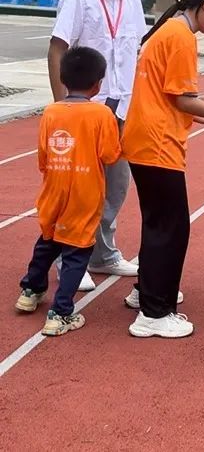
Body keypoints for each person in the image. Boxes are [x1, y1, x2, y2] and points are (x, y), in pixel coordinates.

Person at [121, 0, 204, 338]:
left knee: (158, 223)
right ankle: (154, 313)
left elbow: (171, 97)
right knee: (171, 227)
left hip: (145, 138)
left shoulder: (170, 30)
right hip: (158, 144)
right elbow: (183, 99)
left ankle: (146, 291)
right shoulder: (181, 37)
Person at [47, 0, 147, 290]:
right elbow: (57, 50)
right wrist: (63, 106)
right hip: (85, 109)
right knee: (79, 187)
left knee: (116, 184)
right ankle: (67, 258)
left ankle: (103, 253)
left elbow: (136, 52)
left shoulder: (133, 0)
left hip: (121, 108)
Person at [16, 47, 121, 335]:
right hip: (84, 195)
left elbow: (42, 156)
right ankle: (61, 313)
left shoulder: (51, 111)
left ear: (63, 79)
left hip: (53, 191)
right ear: (98, 84)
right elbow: (110, 154)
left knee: (48, 241)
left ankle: (30, 290)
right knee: (76, 252)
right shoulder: (102, 114)